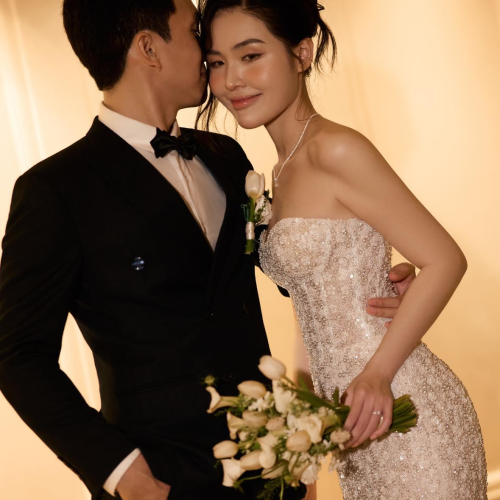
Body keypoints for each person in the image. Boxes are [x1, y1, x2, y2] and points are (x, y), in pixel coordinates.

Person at [0, 0, 413, 499]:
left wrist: (371, 278)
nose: (207, 48)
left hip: (272, 468)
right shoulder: (56, 190)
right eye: (194, 30)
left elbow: (290, 265)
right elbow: (17, 355)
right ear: (149, 48)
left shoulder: (226, 155)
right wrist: (122, 472)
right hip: (161, 479)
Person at [197, 0, 488, 498]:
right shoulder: (279, 171)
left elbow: (445, 259)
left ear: (302, 53)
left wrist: (376, 375)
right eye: (217, 62)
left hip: (404, 410)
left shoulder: (334, 148)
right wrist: (304, 428)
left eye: (251, 56)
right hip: (354, 427)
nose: (231, 81)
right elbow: (312, 309)